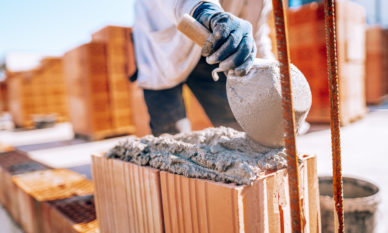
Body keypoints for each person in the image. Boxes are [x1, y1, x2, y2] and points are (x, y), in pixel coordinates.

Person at [132, 0, 274, 136]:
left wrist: (273, 76)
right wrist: (206, 11)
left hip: (212, 48)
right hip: (162, 52)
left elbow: (257, 38)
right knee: (171, 135)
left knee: (237, 123)